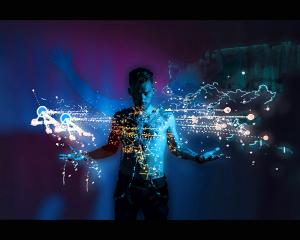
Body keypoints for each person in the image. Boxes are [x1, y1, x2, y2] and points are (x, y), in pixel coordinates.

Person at [54, 53, 221, 220]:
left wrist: (197, 157)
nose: (142, 98)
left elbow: (176, 148)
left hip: (155, 186)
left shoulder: (165, 117)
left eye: (146, 93)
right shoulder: (121, 118)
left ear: (153, 90)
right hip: (127, 186)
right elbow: (111, 148)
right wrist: (84, 156)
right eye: (138, 92)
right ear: (130, 91)